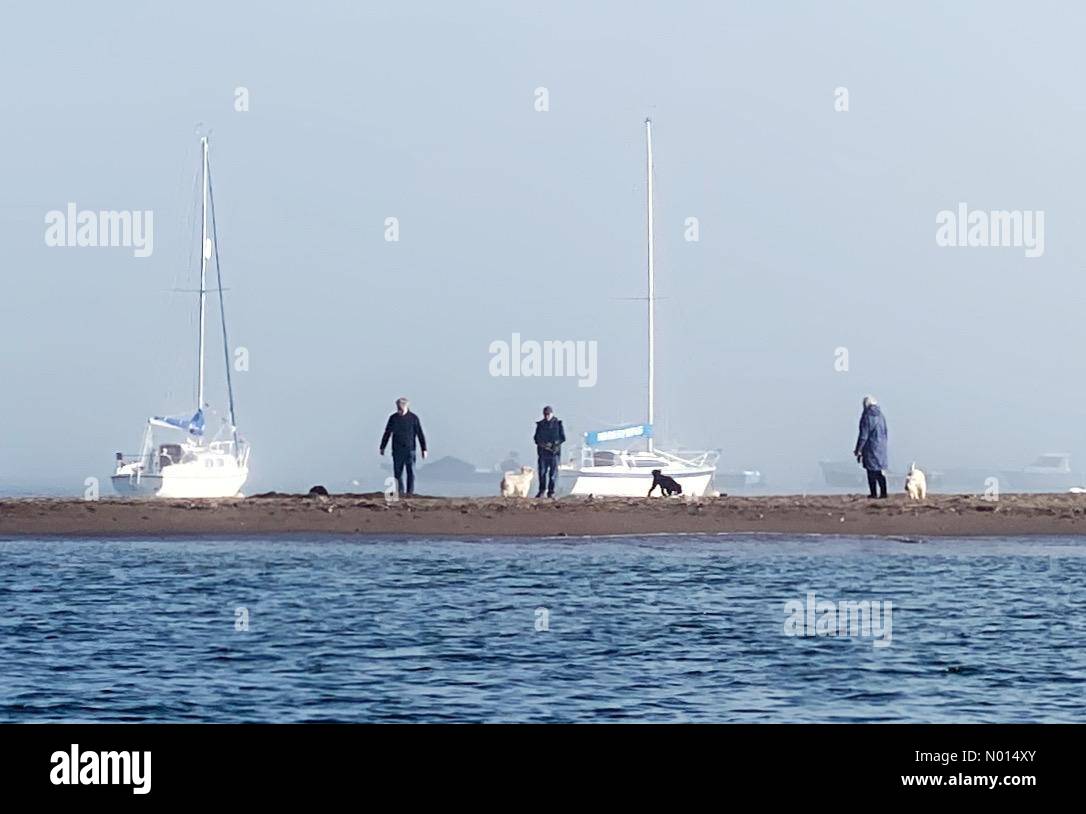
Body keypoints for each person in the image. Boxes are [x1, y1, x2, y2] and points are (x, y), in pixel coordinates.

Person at [379, 397, 427, 496]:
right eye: (398, 408)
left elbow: (420, 433)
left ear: (406, 407)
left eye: (401, 409)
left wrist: (424, 449)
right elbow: (387, 433)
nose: (399, 411)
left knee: (411, 472)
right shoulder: (393, 418)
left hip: (410, 449)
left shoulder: (413, 418)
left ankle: (410, 492)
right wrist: (382, 447)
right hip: (397, 449)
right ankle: (400, 492)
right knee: (398, 472)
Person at [854, 395, 888, 499]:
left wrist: (858, 449)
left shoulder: (867, 416)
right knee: (879, 470)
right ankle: (883, 493)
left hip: (870, 446)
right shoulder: (881, 416)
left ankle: (873, 493)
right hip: (881, 446)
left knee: (871, 471)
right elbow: (885, 432)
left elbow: (863, 435)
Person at [533, 405, 565, 498]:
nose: (546, 416)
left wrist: (555, 445)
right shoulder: (540, 425)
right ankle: (541, 490)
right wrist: (543, 444)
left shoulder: (558, 424)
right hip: (543, 453)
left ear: (552, 414)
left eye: (548, 414)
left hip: (554, 453)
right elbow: (536, 438)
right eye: (545, 414)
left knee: (553, 473)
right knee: (542, 473)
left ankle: (551, 492)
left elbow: (562, 438)